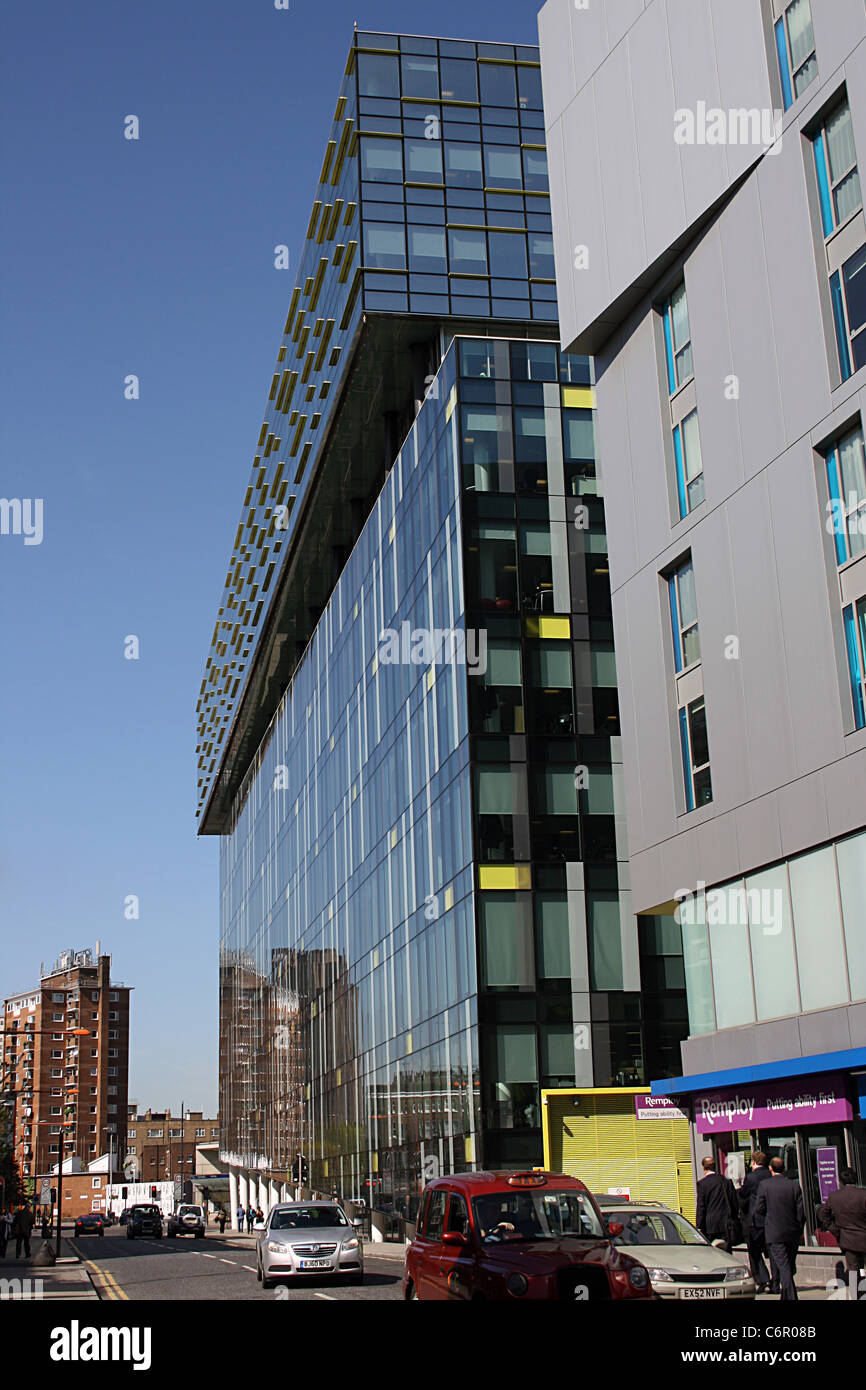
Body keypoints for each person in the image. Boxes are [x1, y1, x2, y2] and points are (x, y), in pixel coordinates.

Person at [754, 1157, 805, 1301]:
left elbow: (759, 1208)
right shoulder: (793, 1185)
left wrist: (769, 1218)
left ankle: (790, 1296)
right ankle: (786, 1295)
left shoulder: (765, 1185)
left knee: (784, 1266)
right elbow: (800, 1212)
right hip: (792, 1232)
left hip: (775, 1232)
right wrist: (798, 1227)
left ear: (771, 1169)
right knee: (788, 1264)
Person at [818, 1168, 866, 1279]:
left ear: (840, 1181)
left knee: (853, 1269)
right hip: (862, 1236)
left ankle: (857, 1294)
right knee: (860, 1268)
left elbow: (823, 1215)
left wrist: (835, 1230)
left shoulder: (834, 1196)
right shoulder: (863, 1195)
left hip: (847, 1238)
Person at [738, 1151, 775, 1292]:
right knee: (772, 1252)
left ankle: (763, 1279)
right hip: (771, 1220)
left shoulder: (751, 1177)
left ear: (753, 1162)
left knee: (754, 1251)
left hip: (755, 1220)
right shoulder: (770, 1174)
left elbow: (743, 1194)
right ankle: (775, 1281)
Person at [695, 1155, 738, 1251]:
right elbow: (734, 1202)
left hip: (710, 1226)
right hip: (726, 1224)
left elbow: (701, 1206)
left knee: (712, 1252)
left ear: (704, 1168)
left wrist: (699, 1226)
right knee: (726, 1252)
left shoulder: (702, 1184)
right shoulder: (726, 1182)